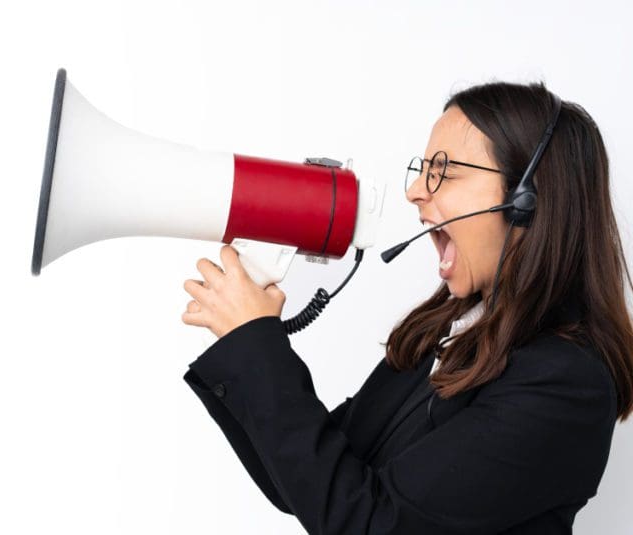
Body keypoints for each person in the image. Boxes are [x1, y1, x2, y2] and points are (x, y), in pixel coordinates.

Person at [180, 81, 633, 534]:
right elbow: (306, 483)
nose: (415, 190)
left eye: (444, 171)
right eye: (423, 169)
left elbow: (371, 523)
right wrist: (240, 340)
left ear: (525, 201)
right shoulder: (448, 333)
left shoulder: (567, 383)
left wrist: (256, 347)